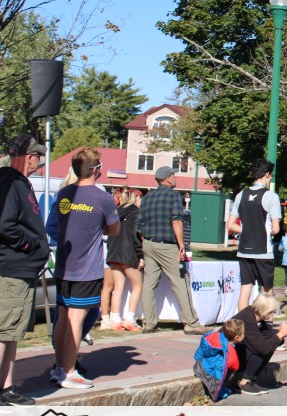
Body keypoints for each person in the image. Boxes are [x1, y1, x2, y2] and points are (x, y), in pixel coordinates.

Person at [0, 135, 51, 406]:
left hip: (19, 268)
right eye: (37, 157)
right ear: (29, 157)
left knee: (12, 332)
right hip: (9, 268)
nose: (39, 162)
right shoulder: (9, 183)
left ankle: (6, 387)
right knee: (1, 329)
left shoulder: (18, 183)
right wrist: (32, 245)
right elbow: (5, 226)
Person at [49, 148, 120, 389]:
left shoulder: (64, 193)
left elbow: (55, 225)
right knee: (76, 319)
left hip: (64, 265)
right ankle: (69, 371)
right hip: (86, 268)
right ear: (95, 170)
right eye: (100, 166)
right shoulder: (102, 198)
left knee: (63, 317)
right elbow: (114, 229)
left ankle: (59, 367)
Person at [138, 166, 210, 335]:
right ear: (169, 178)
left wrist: (147, 242)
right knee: (181, 282)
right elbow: (177, 221)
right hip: (168, 245)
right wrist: (181, 246)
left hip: (148, 243)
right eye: (174, 175)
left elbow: (139, 225)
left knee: (149, 284)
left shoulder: (147, 197)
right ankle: (191, 323)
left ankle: (149, 322)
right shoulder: (174, 196)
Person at [228, 159, 283, 312]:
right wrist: (266, 230)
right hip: (263, 250)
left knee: (245, 289)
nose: (270, 179)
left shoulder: (241, 195)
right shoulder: (271, 196)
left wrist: (247, 230)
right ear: (266, 174)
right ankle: (266, 322)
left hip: (244, 249)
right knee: (267, 291)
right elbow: (276, 229)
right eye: (271, 176)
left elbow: (230, 225)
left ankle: (243, 322)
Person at [230, 293, 287, 394]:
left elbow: (269, 339)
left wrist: (285, 332)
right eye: (272, 311)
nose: (272, 315)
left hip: (236, 353)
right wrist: (280, 334)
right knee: (263, 348)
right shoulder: (246, 319)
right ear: (264, 310)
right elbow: (263, 348)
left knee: (269, 345)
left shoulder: (259, 319)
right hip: (225, 356)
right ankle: (244, 382)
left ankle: (250, 380)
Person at [105, 188, 144, 331]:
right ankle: (129, 318)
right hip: (128, 253)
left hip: (113, 253)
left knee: (118, 288)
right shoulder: (136, 213)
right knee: (137, 286)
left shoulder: (115, 213)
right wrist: (140, 255)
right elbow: (136, 236)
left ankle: (115, 319)